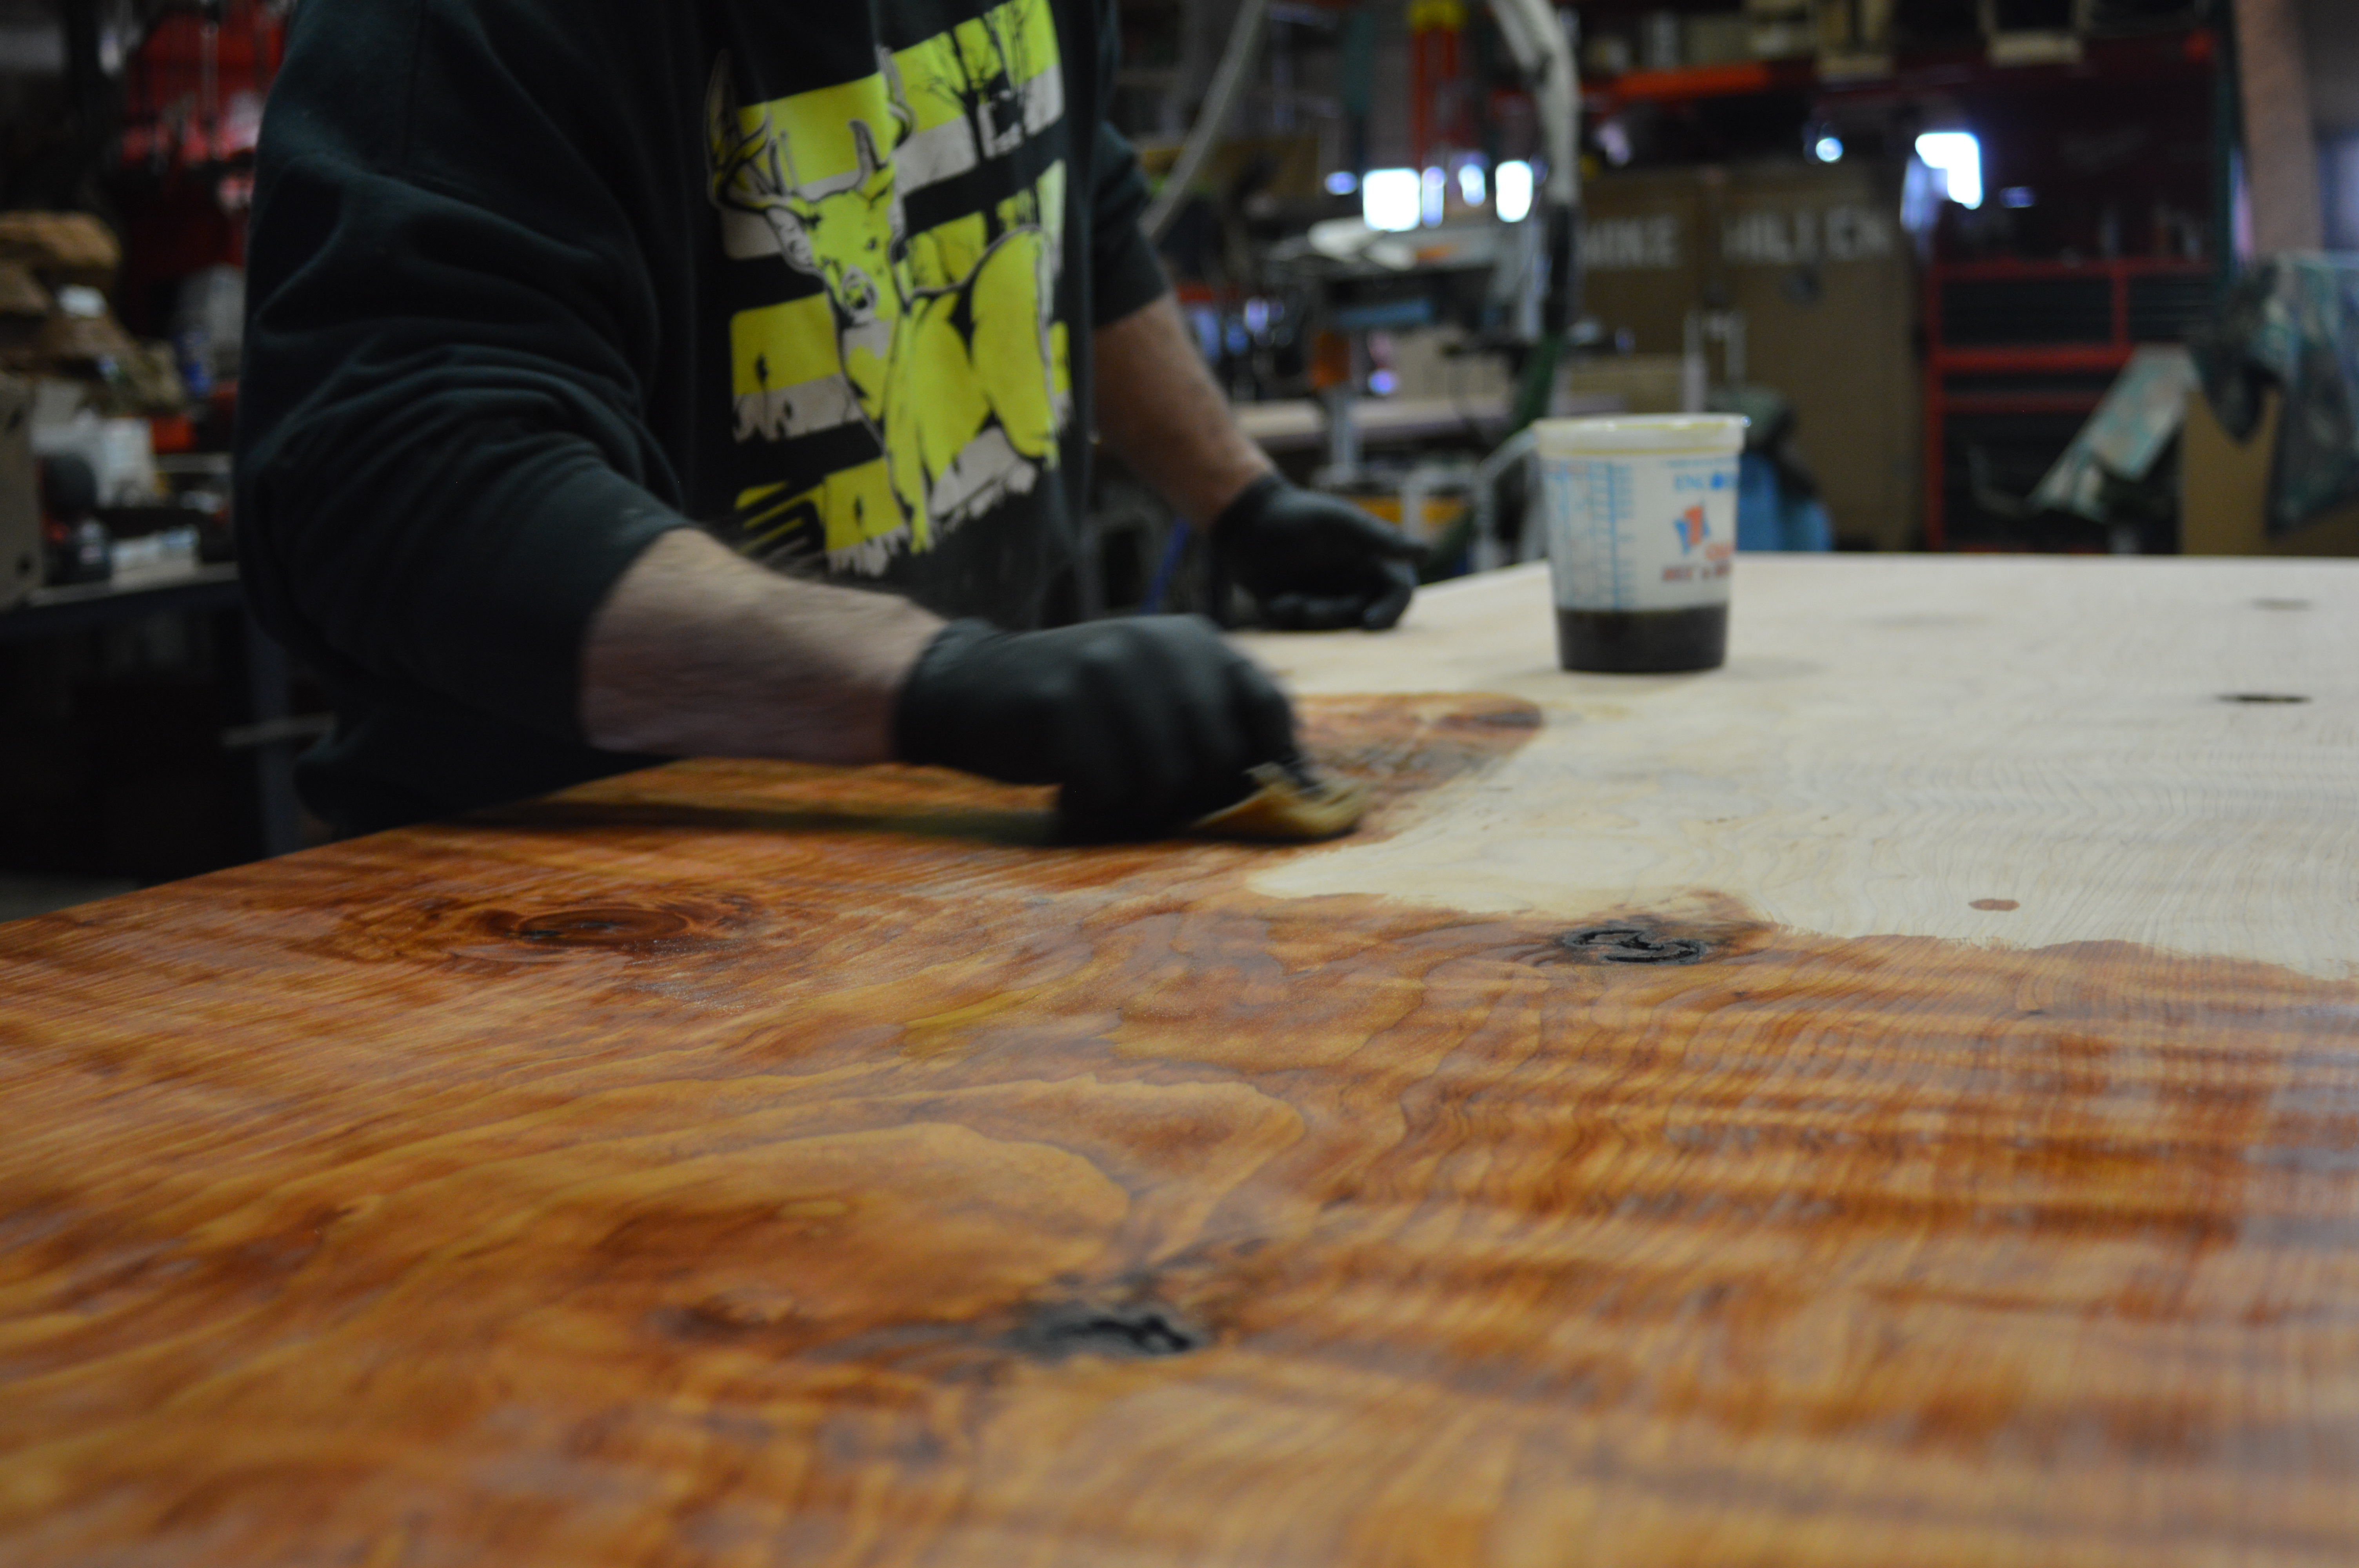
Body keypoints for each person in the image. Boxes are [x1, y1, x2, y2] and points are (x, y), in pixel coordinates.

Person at [236, 0, 1427, 840]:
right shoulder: (450, 26)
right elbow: (408, 487)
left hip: (937, 834)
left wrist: (1242, 498)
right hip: (578, 916)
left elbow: (1071, 179)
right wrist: (943, 683)